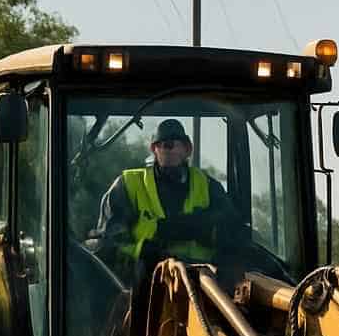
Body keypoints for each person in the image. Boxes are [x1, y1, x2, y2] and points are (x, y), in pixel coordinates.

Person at [94, 118, 241, 279]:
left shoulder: (209, 187)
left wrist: (200, 227)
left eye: (171, 144)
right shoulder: (127, 185)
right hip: (142, 285)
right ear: (153, 149)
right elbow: (108, 245)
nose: (166, 150)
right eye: (160, 145)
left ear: (187, 149)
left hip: (202, 282)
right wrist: (143, 252)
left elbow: (233, 233)